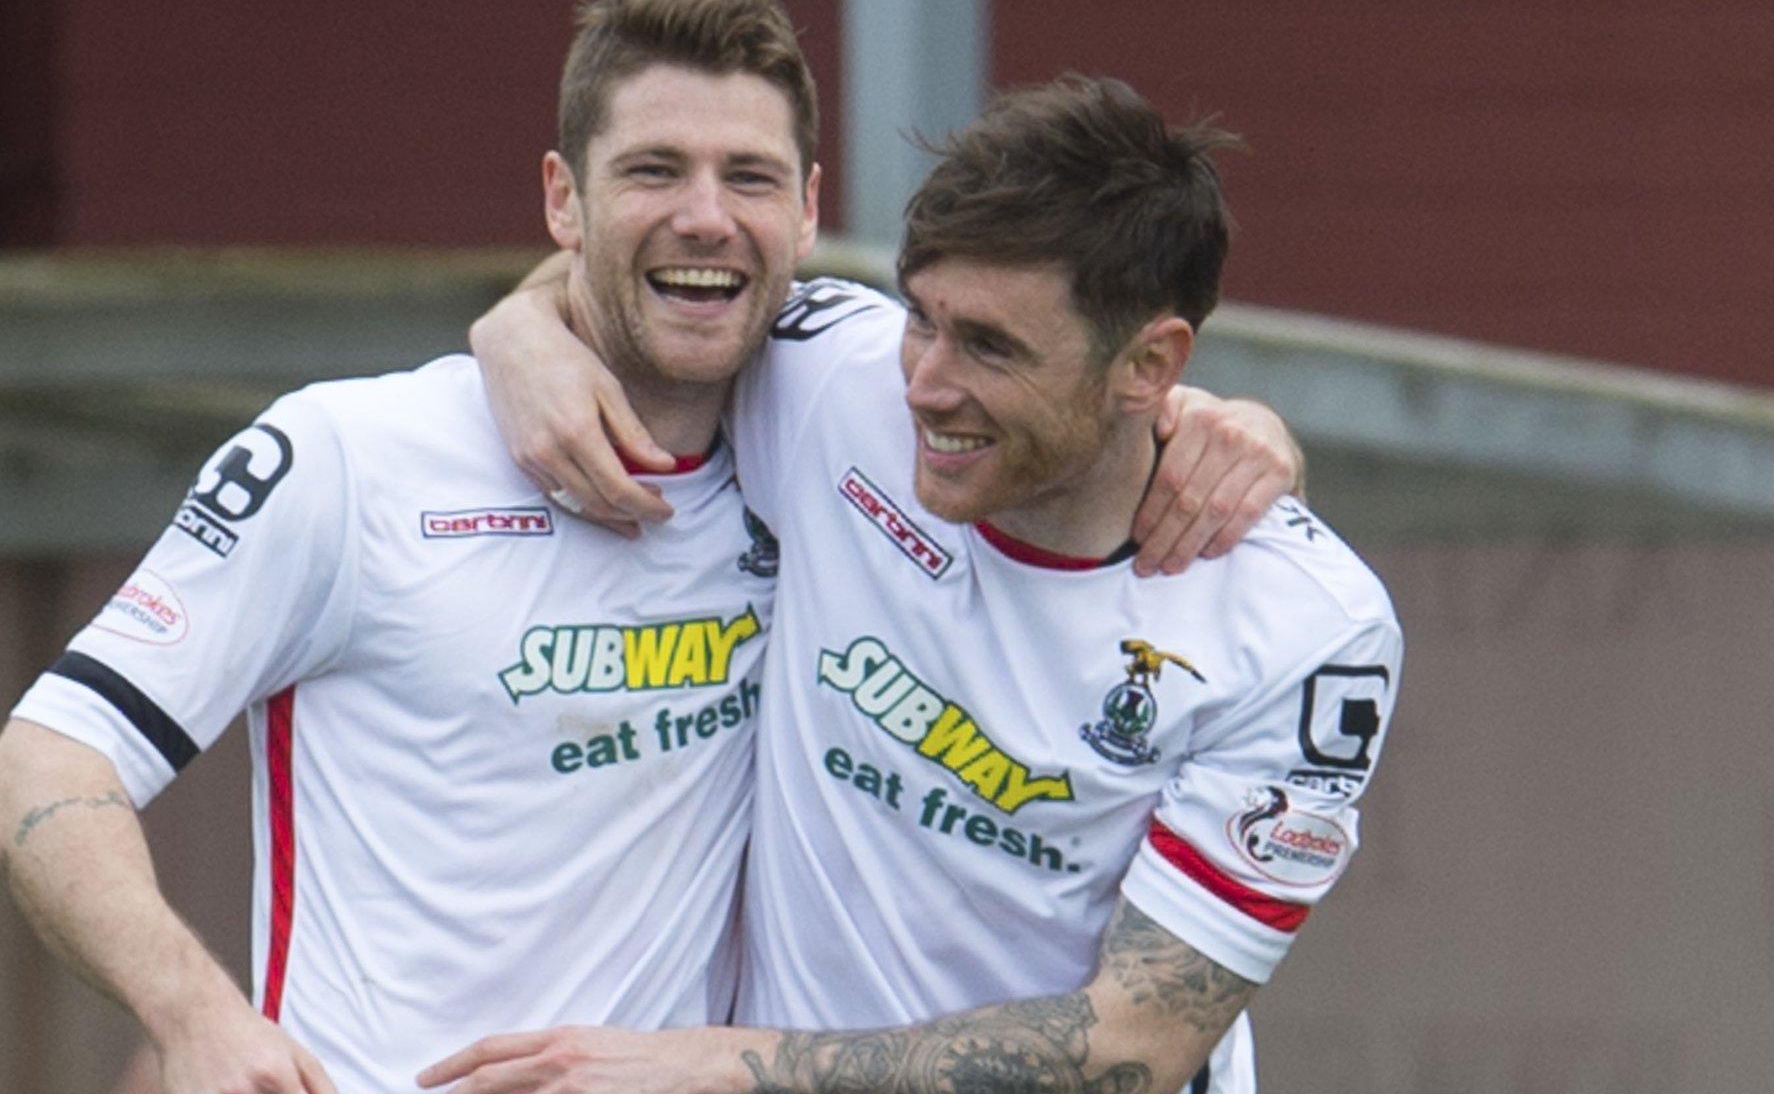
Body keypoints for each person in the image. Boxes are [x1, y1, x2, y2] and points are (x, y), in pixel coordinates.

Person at [0, 0, 1300, 1094]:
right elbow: (43, 772)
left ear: (809, 208)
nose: (706, 215)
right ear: (563, 199)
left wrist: (1228, 425)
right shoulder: (350, 459)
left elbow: (1073, 416)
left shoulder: (841, 451)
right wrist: (195, 1019)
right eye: (653, 169)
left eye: (749, 176)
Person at [421, 75, 1399, 1094]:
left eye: (989, 346)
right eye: (922, 317)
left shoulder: (1306, 627)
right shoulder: (832, 380)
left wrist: (727, 1069)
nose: (925, 385)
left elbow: (1133, 1048)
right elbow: (658, 268)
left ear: (1148, 365)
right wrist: (522, 328)